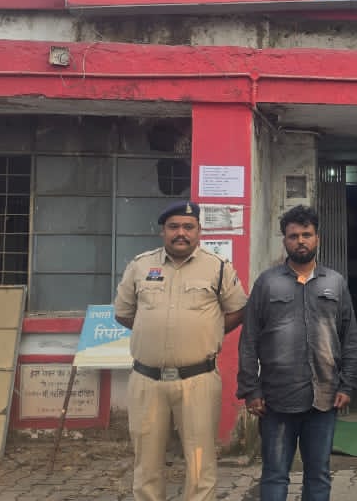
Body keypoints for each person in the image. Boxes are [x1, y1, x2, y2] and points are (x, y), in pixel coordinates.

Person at [113, 200, 247, 501]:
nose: (181, 233)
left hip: (198, 380)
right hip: (147, 381)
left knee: (200, 464)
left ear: (199, 231)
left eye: (188, 227)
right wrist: (152, 330)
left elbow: (238, 310)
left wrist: (209, 331)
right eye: (174, 227)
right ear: (163, 231)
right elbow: (123, 313)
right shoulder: (140, 266)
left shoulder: (218, 267)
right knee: (147, 464)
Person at [237, 205, 357, 501]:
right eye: (293, 236)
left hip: (324, 397)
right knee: (274, 474)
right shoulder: (267, 283)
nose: (300, 241)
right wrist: (250, 389)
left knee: (318, 474)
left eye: (306, 234)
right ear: (285, 240)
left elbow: (350, 337)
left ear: (317, 238)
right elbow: (249, 339)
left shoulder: (335, 283)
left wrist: (348, 384)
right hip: (276, 399)